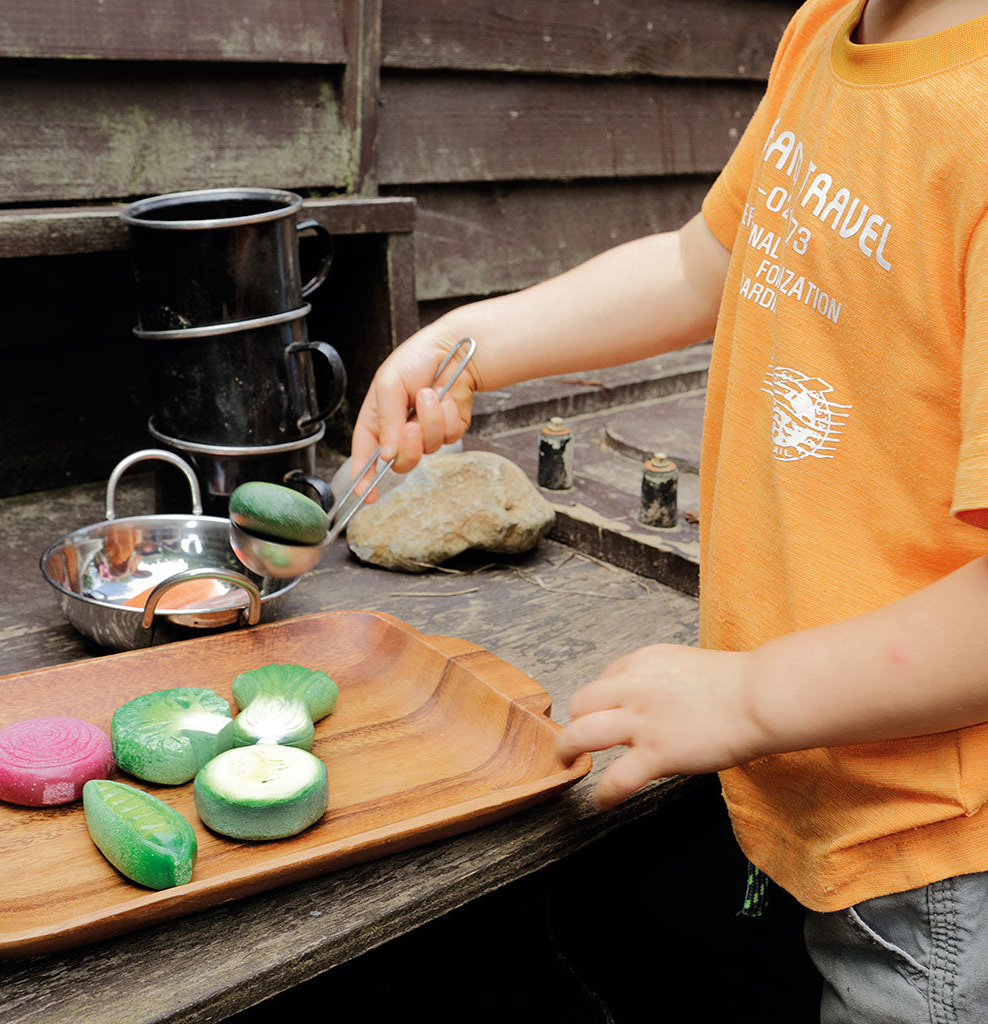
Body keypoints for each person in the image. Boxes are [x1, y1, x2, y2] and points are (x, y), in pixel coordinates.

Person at [350, 1, 988, 1019]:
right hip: (819, 794)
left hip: (938, 882)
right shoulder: (829, 26)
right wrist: (475, 338)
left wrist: (745, 698)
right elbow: (709, 260)